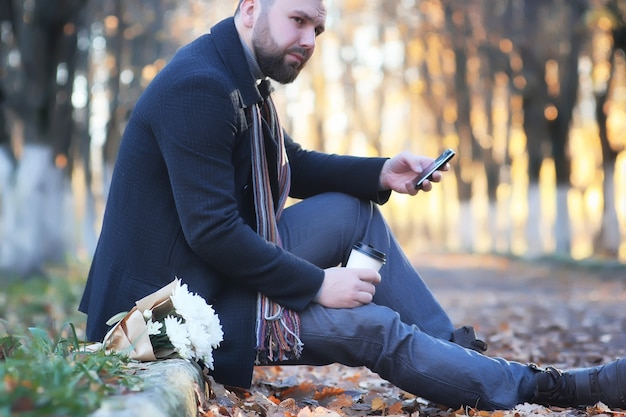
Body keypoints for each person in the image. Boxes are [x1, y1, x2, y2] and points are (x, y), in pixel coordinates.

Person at [79, 0, 626, 410]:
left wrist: (381, 171)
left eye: (317, 27)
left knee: (353, 209)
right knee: (370, 326)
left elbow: (293, 163)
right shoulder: (200, 87)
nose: (310, 38)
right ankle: (551, 387)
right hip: (166, 311)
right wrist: (320, 286)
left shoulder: (238, 74)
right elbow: (214, 232)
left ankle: (456, 360)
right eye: (297, 20)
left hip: (208, 272)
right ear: (250, 9)